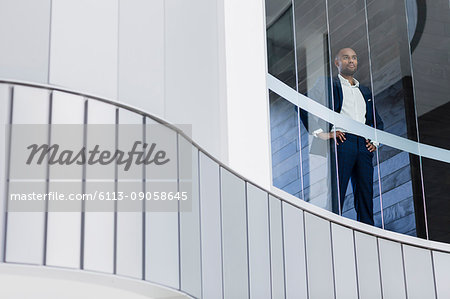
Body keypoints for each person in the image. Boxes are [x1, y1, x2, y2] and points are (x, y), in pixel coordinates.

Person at [309, 47, 384, 225]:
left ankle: (368, 231)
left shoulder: (364, 91)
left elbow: (377, 121)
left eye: (354, 58)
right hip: (342, 141)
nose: (351, 61)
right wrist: (321, 134)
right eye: (346, 57)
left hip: (364, 145)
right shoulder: (328, 84)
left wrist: (375, 141)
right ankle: (332, 225)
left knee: (365, 192)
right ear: (337, 63)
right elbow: (303, 103)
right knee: (337, 189)